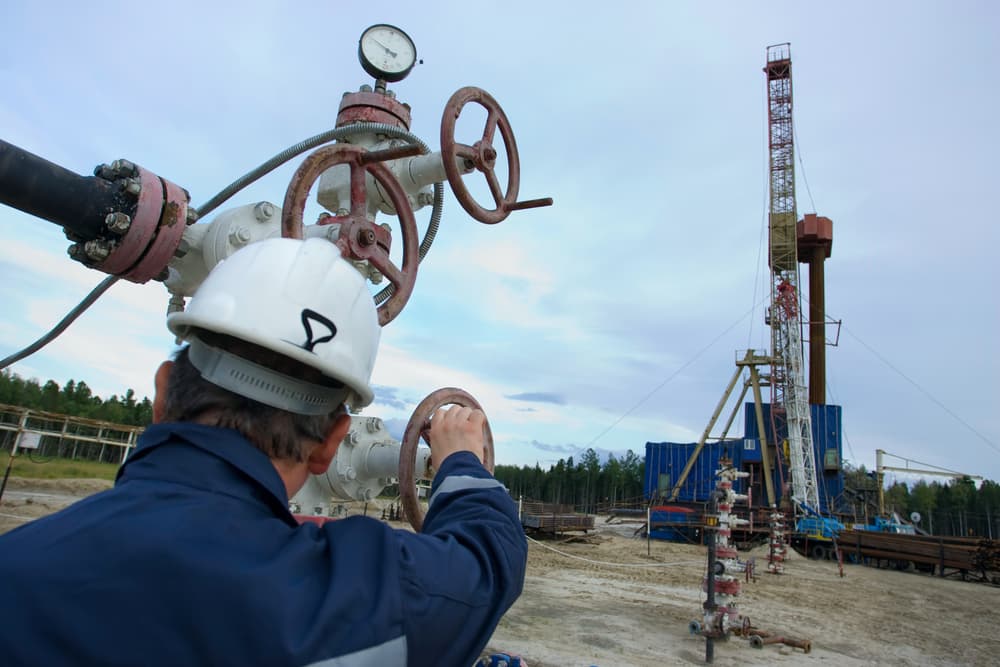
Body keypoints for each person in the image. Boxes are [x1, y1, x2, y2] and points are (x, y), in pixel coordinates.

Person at [0, 238, 527, 666]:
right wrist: (461, 463)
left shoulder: (16, 568)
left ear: (161, 395)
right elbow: (487, 564)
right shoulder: (352, 601)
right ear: (329, 445)